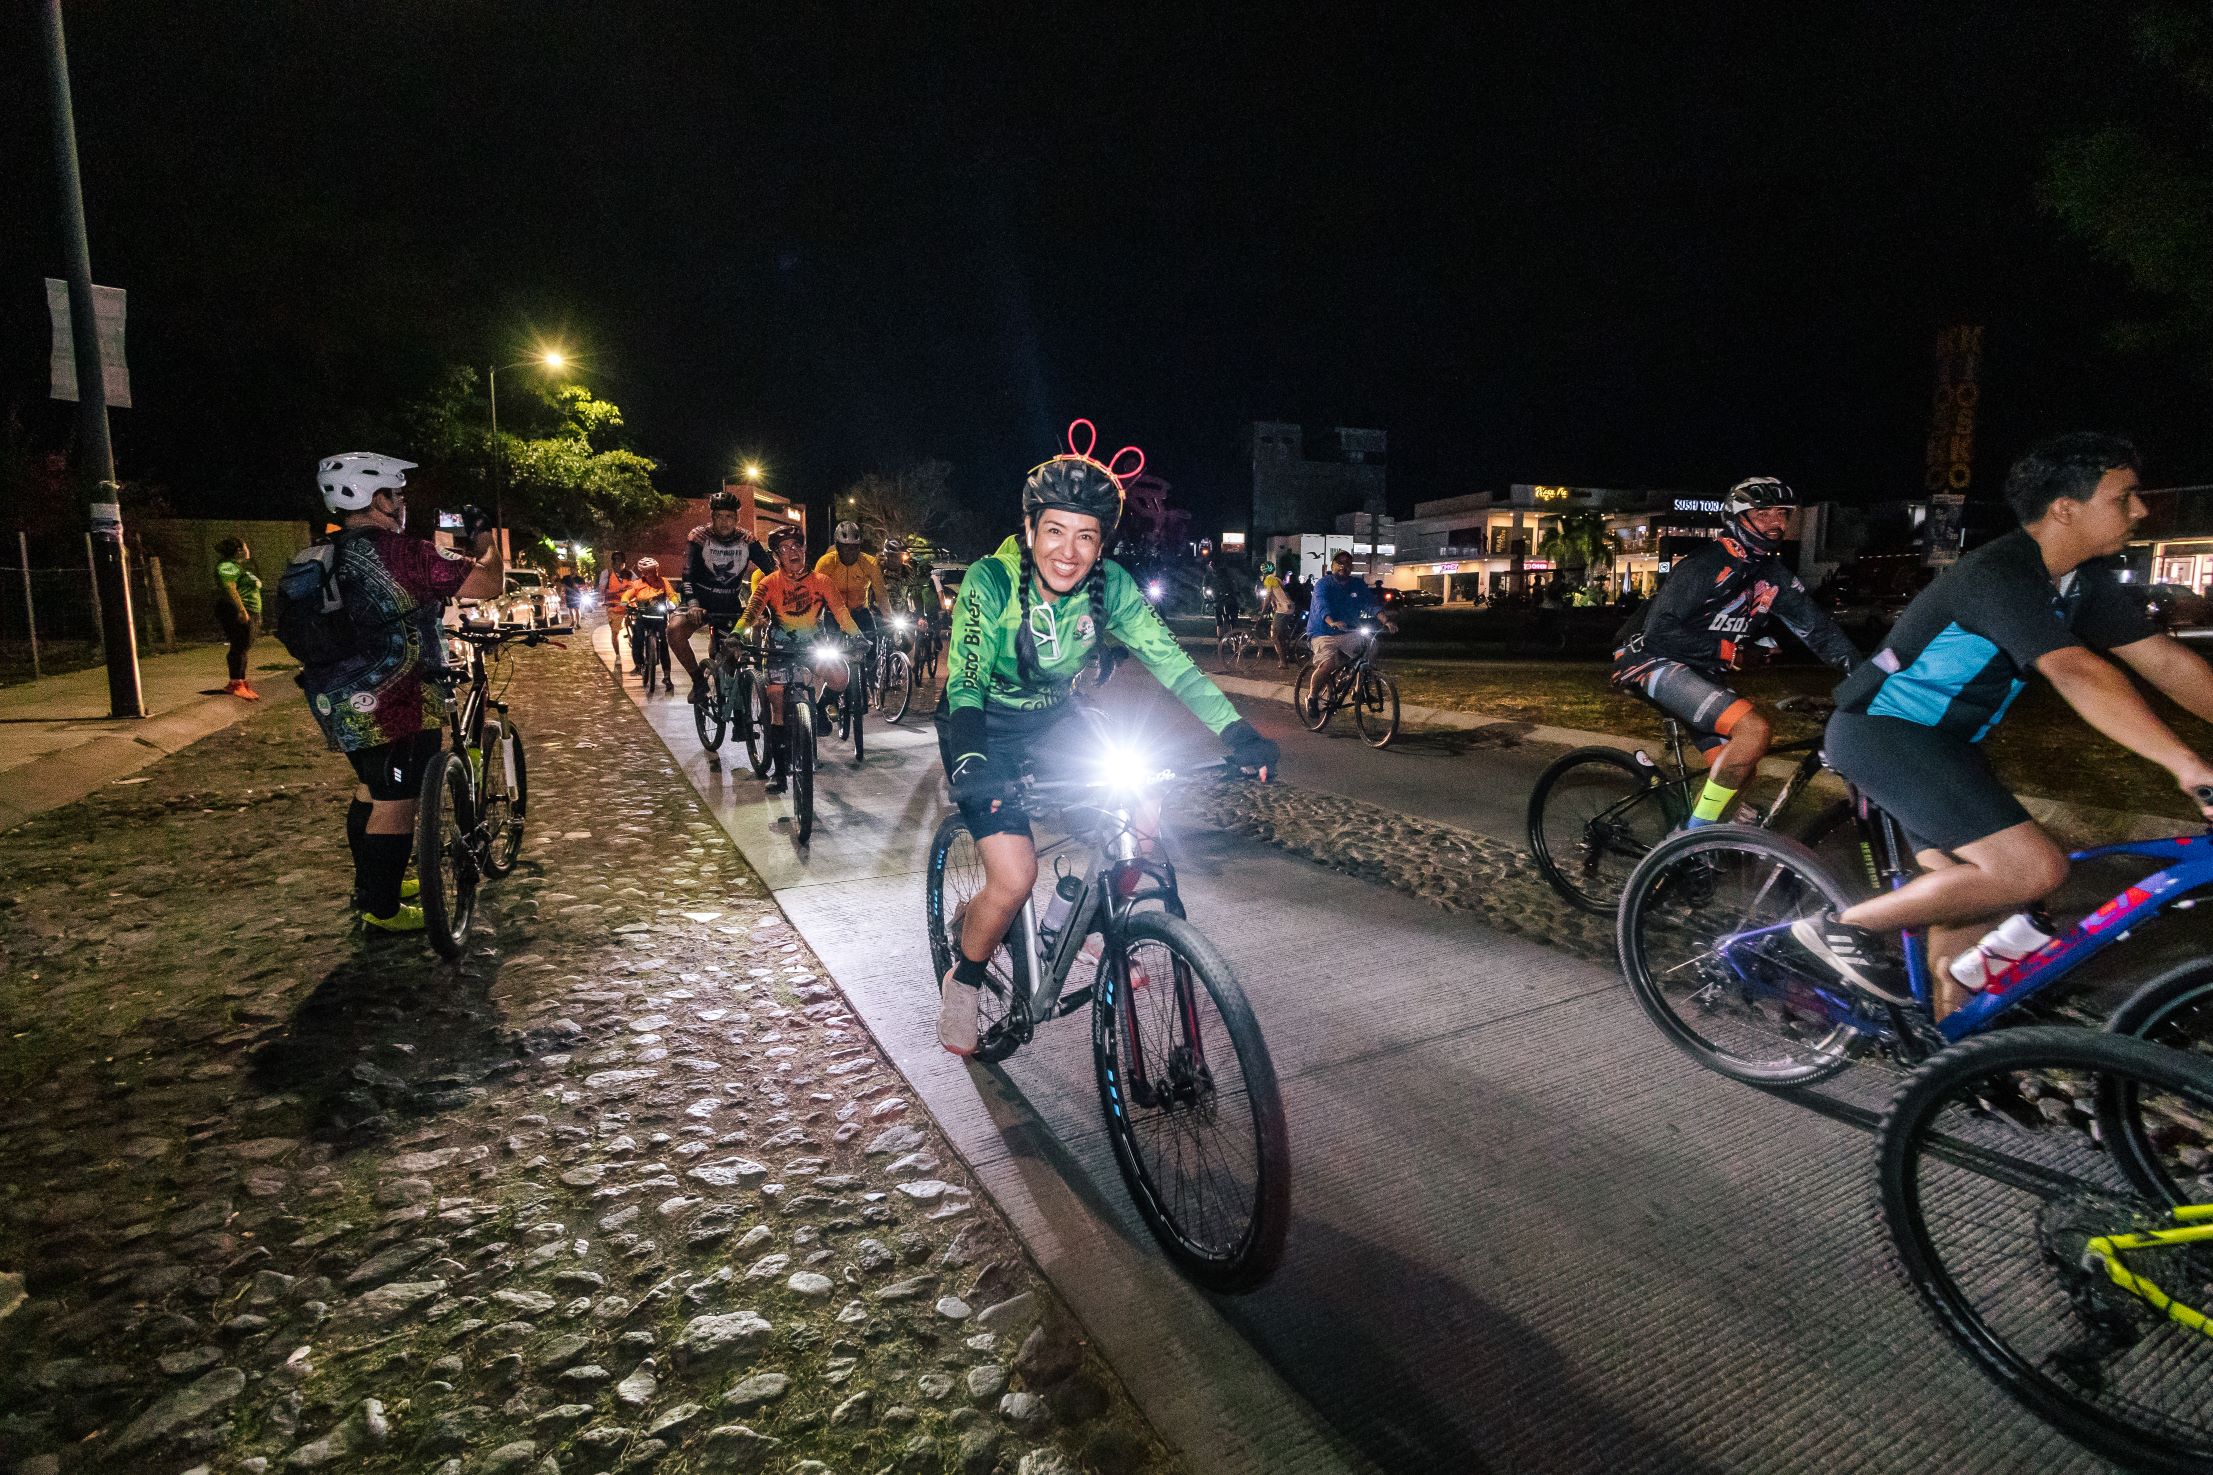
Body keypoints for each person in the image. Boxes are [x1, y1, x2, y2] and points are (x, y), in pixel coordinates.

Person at [1793, 433, 2213, 1013]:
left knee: (1975, 901)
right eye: (2124, 497)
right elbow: (2075, 671)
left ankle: (1948, 1043)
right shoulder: (1998, 574)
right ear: (2065, 509)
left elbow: (2166, 663)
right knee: (2031, 870)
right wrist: (2187, 765)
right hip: (1884, 732)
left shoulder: (2079, 581)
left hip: (1947, 746)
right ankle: (1839, 929)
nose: (2140, 510)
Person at [934, 421, 1279, 1056]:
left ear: (1101, 544)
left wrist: (1237, 731)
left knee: (1140, 811)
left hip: (1054, 718)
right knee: (1013, 878)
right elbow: (967, 680)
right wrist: (974, 758)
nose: (1069, 551)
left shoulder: (1110, 587)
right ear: (1031, 529)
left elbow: (1173, 663)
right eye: (1055, 531)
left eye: (1086, 536)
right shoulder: (992, 579)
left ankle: (1083, 923)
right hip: (982, 725)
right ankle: (967, 977)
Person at [299, 453, 502, 932]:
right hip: (397, 699)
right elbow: (488, 583)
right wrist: (485, 539)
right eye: (397, 494)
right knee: (396, 802)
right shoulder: (405, 554)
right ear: (379, 500)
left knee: (370, 790)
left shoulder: (322, 553)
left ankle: (371, 886)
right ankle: (383, 910)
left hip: (333, 695)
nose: (402, 503)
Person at [1610, 477, 1861, 828]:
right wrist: (1734, 653)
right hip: (1649, 658)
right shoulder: (1706, 563)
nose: (1775, 523)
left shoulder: (1772, 576)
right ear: (1737, 518)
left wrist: (1867, 676)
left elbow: (1820, 631)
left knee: (1740, 766)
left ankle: (1698, 841)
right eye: (1762, 514)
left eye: (1782, 514)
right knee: (1754, 731)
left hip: (1698, 667)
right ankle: (1694, 838)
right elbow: (1659, 632)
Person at [742, 524, 863, 794]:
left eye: (797, 546)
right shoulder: (769, 582)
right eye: (784, 549)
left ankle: (818, 708)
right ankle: (779, 774)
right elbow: (751, 613)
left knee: (840, 676)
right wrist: (737, 634)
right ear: (776, 557)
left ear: (805, 549)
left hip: (813, 645)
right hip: (779, 649)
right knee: (776, 700)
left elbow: (841, 613)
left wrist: (858, 637)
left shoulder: (822, 581)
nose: (792, 552)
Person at [674, 490, 773, 703]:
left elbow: (772, 573)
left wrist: (773, 606)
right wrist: (693, 604)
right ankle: (698, 681)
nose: (724, 522)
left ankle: (736, 706)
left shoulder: (747, 540)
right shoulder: (699, 537)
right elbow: (687, 575)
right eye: (718, 516)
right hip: (698, 603)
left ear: (737, 518)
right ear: (712, 517)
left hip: (728, 604)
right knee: (674, 631)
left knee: (732, 658)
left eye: (729, 516)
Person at [1304, 550, 1394, 717]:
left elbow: (1370, 604)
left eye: (1347, 563)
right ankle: (1312, 697)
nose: (1343, 566)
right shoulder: (1323, 584)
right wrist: (1331, 621)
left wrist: (1386, 621)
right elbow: (1321, 604)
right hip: (1323, 632)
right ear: (1332, 566)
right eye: (1339, 563)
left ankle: (1358, 689)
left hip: (1349, 631)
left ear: (1351, 567)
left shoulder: (1357, 585)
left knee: (1371, 646)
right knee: (1328, 665)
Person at [814, 520, 893, 647]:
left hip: (860, 611)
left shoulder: (869, 563)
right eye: (845, 547)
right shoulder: (826, 562)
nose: (849, 552)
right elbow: (815, 593)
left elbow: (881, 594)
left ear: (859, 547)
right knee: (827, 650)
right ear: (837, 546)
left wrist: (888, 618)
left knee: (871, 647)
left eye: (854, 547)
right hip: (833, 613)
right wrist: (813, 619)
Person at [622, 555, 683, 689]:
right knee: (637, 639)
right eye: (648, 571)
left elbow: (672, 594)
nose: (652, 574)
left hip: (659, 617)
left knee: (664, 644)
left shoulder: (663, 581)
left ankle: (667, 677)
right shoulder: (637, 583)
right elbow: (627, 595)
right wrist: (624, 602)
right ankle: (639, 665)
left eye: (654, 570)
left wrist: (674, 604)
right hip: (642, 616)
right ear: (643, 573)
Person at [214, 536, 263, 699]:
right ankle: (236, 683)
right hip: (236, 610)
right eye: (245, 547)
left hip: (251, 609)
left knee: (244, 645)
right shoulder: (227, 566)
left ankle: (240, 681)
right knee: (239, 646)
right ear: (239, 550)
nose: (248, 550)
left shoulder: (240, 566)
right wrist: (241, 610)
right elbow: (231, 588)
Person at [1258, 561, 1299, 666]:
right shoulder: (1276, 579)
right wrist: (1273, 605)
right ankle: (1288, 655)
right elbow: (1277, 594)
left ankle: (1283, 662)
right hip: (1289, 607)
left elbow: (1268, 596)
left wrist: (1263, 611)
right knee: (1282, 635)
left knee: (1274, 635)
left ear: (1263, 571)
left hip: (1283, 609)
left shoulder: (1268, 579)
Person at [602, 560, 641, 665]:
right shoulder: (607, 574)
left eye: (622, 564)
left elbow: (638, 585)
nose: (620, 566)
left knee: (638, 629)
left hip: (630, 605)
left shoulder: (630, 574)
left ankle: (639, 655)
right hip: (614, 607)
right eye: (617, 563)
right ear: (613, 564)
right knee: (615, 632)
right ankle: (618, 655)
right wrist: (617, 591)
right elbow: (602, 590)